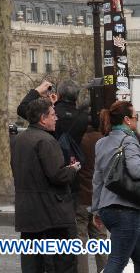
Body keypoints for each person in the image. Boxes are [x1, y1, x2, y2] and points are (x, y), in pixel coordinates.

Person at [12, 97, 80, 272]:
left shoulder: (19, 140)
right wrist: (72, 169)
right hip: (52, 215)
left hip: (27, 213)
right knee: (60, 264)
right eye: (52, 115)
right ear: (43, 118)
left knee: (32, 264)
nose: (56, 118)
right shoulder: (47, 141)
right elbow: (57, 175)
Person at [91, 101, 140, 273]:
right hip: (126, 209)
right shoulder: (130, 141)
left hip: (107, 208)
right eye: (136, 117)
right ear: (127, 119)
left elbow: (97, 179)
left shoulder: (101, 143)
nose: (137, 121)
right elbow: (135, 170)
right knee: (117, 261)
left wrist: (96, 210)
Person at [78, 106, 108, 273]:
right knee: (100, 239)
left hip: (81, 197)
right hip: (99, 198)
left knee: (80, 240)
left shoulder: (78, 139)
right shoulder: (103, 140)